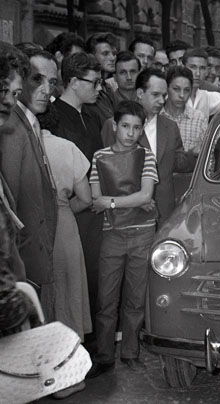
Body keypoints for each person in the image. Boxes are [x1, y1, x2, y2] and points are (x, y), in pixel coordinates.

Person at [87, 100, 158, 378]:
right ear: (115, 125)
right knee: (106, 298)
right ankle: (104, 356)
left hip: (142, 233)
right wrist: (134, 200)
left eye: (137, 128)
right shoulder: (99, 156)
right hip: (112, 234)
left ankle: (130, 352)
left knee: (136, 299)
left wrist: (113, 201)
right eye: (125, 126)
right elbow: (96, 200)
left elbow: (146, 195)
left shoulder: (146, 156)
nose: (131, 133)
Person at [0, 48, 59, 321]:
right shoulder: (11, 126)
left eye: (52, 82)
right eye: (37, 80)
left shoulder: (25, 123)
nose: (47, 90)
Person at [101, 69, 197, 223]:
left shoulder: (170, 126)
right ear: (140, 93)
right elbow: (107, 171)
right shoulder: (114, 126)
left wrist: (195, 153)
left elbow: (178, 163)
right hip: (125, 213)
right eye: (155, 95)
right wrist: (136, 199)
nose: (162, 101)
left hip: (163, 211)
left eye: (164, 95)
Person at [38, 102, 93, 340]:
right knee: (69, 286)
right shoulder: (67, 147)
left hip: (33, 224)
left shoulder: (19, 146)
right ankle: (70, 341)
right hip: (64, 223)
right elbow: (86, 198)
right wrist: (63, 208)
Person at [161, 66, 207, 154]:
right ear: (166, 88)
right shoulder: (157, 115)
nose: (182, 95)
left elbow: (207, 154)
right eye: (176, 89)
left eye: (186, 90)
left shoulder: (199, 119)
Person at [182, 48, 220, 119]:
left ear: (206, 71)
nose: (198, 73)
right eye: (193, 67)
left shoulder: (206, 97)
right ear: (183, 68)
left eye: (202, 68)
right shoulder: (172, 96)